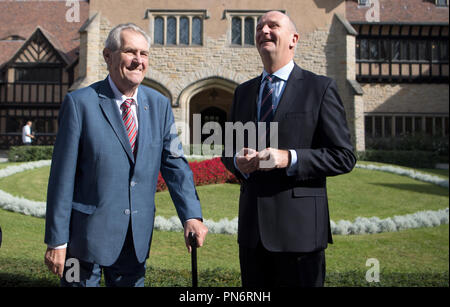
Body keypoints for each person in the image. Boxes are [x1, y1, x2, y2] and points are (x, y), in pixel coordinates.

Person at [44, 23, 208, 287]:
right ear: (108, 56)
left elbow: (176, 165)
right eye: (130, 52)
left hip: (135, 241)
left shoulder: (160, 105)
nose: (138, 61)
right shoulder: (80, 103)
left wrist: (191, 215)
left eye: (144, 54)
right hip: (83, 242)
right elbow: (62, 177)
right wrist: (57, 240)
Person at [221, 11, 356, 287]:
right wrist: (238, 162)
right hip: (252, 235)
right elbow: (229, 150)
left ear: (294, 39)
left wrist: (289, 158)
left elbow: (344, 156)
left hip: (300, 236)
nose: (264, 31)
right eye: (259, 27)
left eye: (273, 25)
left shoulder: (320, 89)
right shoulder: (243, 92)